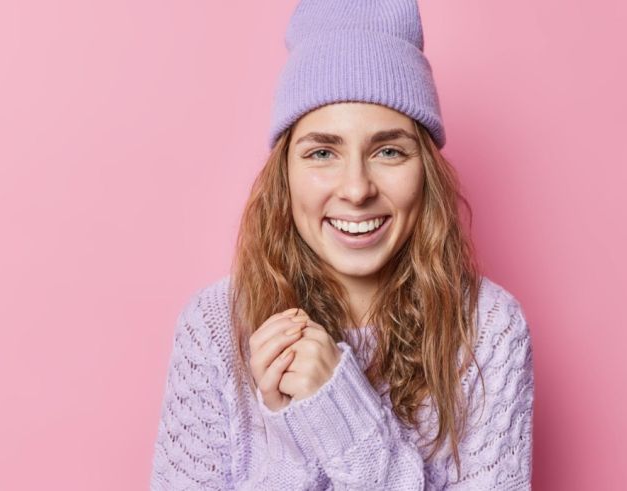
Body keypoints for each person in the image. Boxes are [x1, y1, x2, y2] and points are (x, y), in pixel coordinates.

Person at [149, 0, 535, 489]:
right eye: (323, 152)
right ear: (283, 174)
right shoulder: (214, 329)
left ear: (427, 174)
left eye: (389, 150)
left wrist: (340, 416)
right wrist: (287, 445)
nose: (356, 189)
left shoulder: (487, 331)